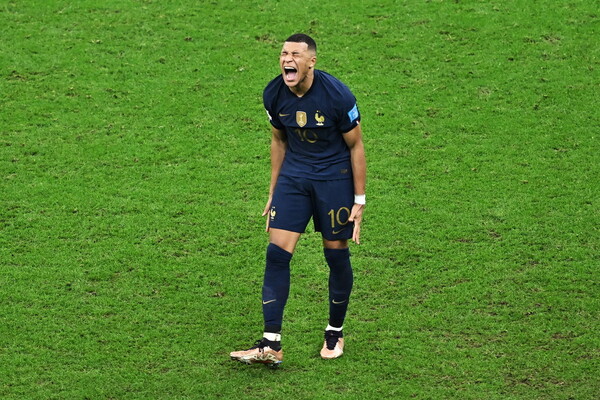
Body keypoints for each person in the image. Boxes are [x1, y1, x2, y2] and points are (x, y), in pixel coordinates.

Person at [230, 33, 366, 366]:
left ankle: (334, 331)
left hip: (334, 180)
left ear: (310, 62)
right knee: (276, 254)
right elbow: (279, 141)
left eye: (294, 54)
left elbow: (355, 146)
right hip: (294, 178)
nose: (286, 60)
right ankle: (271, 344)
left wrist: (359, 198)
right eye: (283, 54)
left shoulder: (337, 95)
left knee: (335, 255)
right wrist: (274, 189)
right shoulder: (274, 93)